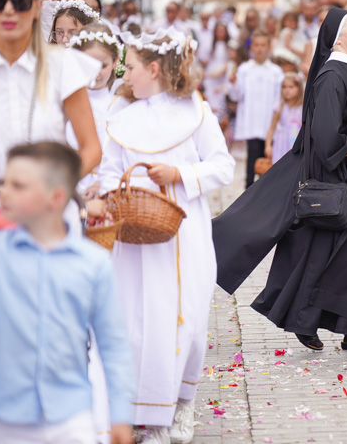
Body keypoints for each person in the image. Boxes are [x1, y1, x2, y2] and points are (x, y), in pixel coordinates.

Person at [213, 8, 347, 354]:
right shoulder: (332, 77)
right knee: (325, 255)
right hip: (336, 178)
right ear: (336, 37)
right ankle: (308, 321)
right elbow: (324, 135)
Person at [99, 28, 235, 444]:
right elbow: (107, 169)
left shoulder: (194, 110)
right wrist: (112, 191)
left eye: (133, 66)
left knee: (186, 319)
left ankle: (181, 404)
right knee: (137, 319)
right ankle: (145, 416)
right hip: (134, 232)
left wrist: (180, 174)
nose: (126, 73)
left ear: (154, 69)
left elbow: (223, 166)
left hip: (183, 231)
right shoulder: (120, 114)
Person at [0, 142, 135, 444]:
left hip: (70, 416)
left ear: (56, 198)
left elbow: (113, 342)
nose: (3, 192)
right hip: (2, 416)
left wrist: (120, 414)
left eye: (19, 185)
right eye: (5, 183)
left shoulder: (93, 264)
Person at [0, 0, 101, 185]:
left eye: (21, 1)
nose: (9, 10)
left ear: (38, 6)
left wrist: (55, 190)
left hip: (48, 211)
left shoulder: (62, 64)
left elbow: (91, 148)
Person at [65, 23, 123, 199]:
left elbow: (124, 158)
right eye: (88, 64)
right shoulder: (64, 102)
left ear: (115, 62)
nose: (95, 72)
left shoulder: (120, 106)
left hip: (105, 189)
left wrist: (102, 184)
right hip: (68, 186)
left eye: (102, 65)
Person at [227, 29, 284, 189]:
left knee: (266, 159)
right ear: (252, 47)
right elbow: (236, 95)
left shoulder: (275, 72)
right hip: (251, 121)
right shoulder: (244, 69)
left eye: (263, 45)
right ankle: (248, 190)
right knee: (252, 156)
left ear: (268, 47)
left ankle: (264, 192)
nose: (259, 49)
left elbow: (278, 98)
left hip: (268, 122)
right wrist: (233, 83)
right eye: (256, 45)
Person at [265, 72, 304, 164]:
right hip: (281, 144)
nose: (287, 90)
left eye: (291, 87)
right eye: (284, 87)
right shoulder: (279, 107)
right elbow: (271, 128)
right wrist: (268, 145)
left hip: (296, 143)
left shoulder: (303, 107)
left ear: (299, 88)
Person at [200, 22, 231, 127]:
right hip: (210, 80)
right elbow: (204, 60)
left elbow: (225, 67)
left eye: (222, 30)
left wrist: (209, 75)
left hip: (220, 79)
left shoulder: (228, 47)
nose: (220, 33)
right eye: (218, 30)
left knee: (220, 105)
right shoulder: (210, 44)